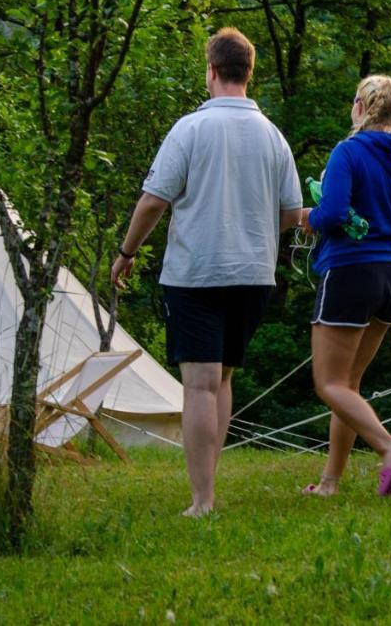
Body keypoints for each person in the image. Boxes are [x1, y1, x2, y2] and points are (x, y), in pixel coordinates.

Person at [111, 28, 302, 517]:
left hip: (197, 271)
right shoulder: (272, 135)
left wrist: (127, 251)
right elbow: (290, 211)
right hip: (254, 273)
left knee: (198, 383)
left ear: (211, 71)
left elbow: (154, 200)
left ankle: (203, 500)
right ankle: (208, 485)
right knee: (222, 380)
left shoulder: (191, 129)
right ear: (249, 72)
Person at [303, 74, 391, 497]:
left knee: (330, 384)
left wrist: (309, 218)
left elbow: (334, 212)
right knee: (349, 386)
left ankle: (390, 446)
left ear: (360, 107)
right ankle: (330, 483)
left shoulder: (348, 152)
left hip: (350, 272)